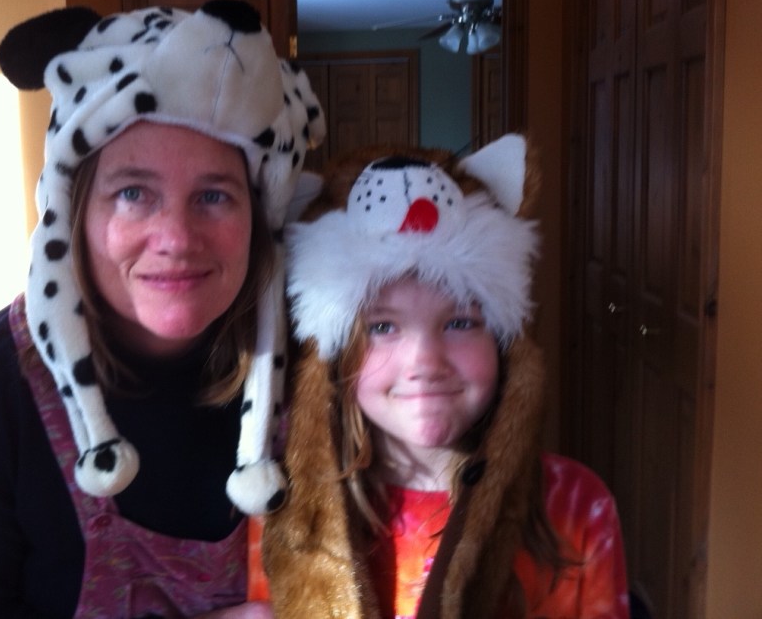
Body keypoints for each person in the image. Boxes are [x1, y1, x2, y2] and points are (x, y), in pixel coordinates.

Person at [0, 0, 325, 618]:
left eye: (214, 195)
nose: (176, 238)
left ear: (260, 215)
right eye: (133, 193)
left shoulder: (318, 367)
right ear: (74, 212)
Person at [260, 136, 629, 618]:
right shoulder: (278, 505)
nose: (425, 361)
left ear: (503, 344)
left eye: (459, 323)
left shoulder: (577, 506)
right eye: (383, 327)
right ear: (336, 356)